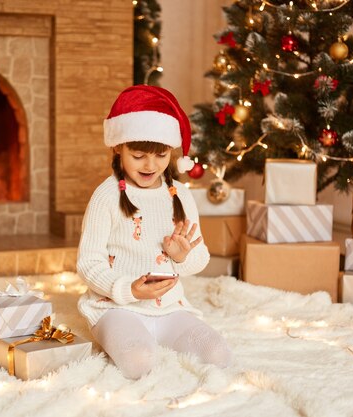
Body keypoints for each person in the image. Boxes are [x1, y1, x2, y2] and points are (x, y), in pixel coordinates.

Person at [76, 85, 232, 379]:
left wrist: (182, 256)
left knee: (218, 355)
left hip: (170, 309)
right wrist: (128, 289)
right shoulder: (106, 196)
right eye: (138, 156)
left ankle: (155, 335)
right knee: (138, 361)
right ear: (118, 148)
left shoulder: (181, 195)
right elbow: (88, 263)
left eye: (161, 155)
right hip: (115, 307)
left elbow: (199, 259)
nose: (151, 166)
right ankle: (132, 338)